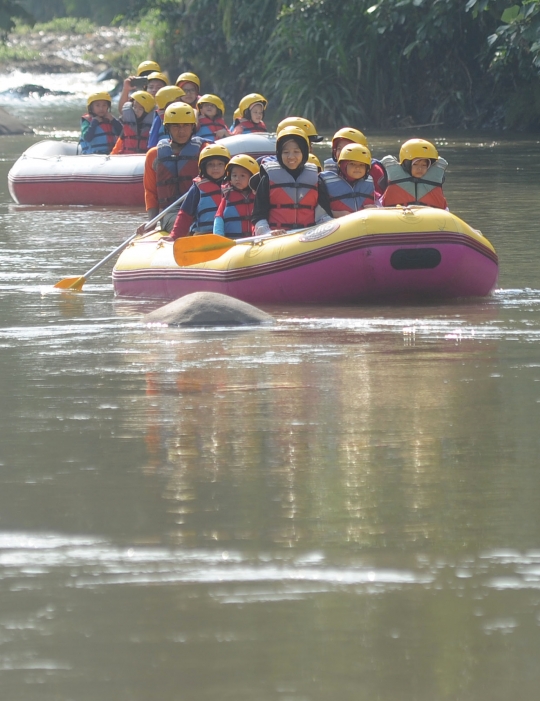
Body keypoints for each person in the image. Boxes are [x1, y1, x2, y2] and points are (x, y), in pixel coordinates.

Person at [140, 102, 206, 233]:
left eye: (186, 125)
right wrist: (152, 222)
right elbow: (151, 193)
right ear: (167, 128)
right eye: (176, 126)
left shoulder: (205, 150)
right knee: (183, 226)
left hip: (203, 207)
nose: (181, 131)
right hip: (172, 211)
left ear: (192, 127)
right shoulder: (154, 155)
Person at [251, 126, 325, 236]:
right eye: (286, 152)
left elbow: (323, 215)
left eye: (296, 151)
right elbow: (258, 215)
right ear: (279, 153)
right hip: (277, 238)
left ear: (304, 152)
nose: (291, 157)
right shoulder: (268, 178)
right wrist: (267, 233)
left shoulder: (315, 177)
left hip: (308, 237)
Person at [168, 143, 231, 239]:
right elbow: (185, 214)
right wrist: (174, 236)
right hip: (204, 236)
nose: (215, 168)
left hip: (231, 236)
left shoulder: (234, 185)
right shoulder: (197, 188)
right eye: (211, 165)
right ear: (203, 167)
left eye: (220, 164)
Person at [380, 138, 448, 209]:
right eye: (415, 164)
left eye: (424, 165)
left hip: (429, 216)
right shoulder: (391, 176)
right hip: (397, 215)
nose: (420, 168)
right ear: (407, 164)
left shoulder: (436, 178)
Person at [324, 127, 387, 196]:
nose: (342, 152)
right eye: (339, 148)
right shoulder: (330, 170)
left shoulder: (374, 169)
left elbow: (382, 198)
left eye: (348, 149)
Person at [318, 143, 375, 217]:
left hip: (365, 223)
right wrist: (333, 214)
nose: (357, 168)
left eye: (362, 165)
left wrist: (375, 210)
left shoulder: (369, 181)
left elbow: (375, 202)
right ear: (343, 165)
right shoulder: (324, 181)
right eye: (352, 164)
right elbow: (318, 211)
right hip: (338, 224)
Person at [214, 154, 259, 239]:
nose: (237, 179)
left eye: (242, 175)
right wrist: (218, 238)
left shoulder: (257, 196)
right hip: (233, 244)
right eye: (234, 175)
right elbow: (219, 218)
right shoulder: (227, 196)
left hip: (254, 242)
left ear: (252, 178)